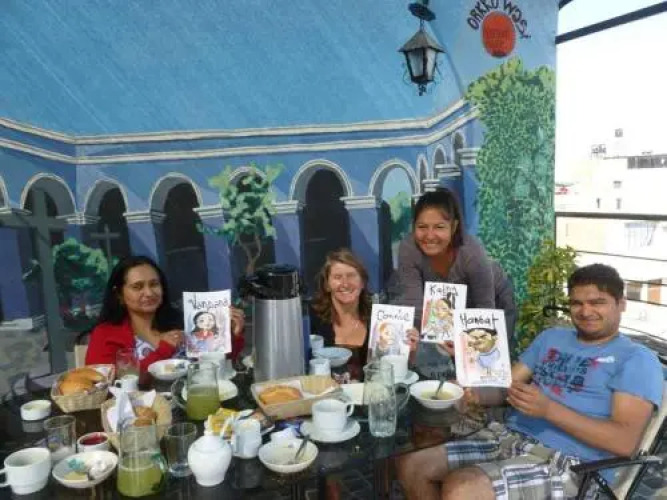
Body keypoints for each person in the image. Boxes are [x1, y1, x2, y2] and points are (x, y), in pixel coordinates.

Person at [396, 263, 663, 500]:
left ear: (621, 303)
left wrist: (549, 410)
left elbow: (624, 442)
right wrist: (472, 381)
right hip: (507, 436)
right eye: (576, 303)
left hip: (572, 463)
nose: (585, 311)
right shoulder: (552, 337)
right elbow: (505, 386)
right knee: (412, 465)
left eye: (597, 302)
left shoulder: (636, 359)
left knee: (462, 488)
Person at [392, 188, 516, 375]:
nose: (429, 236)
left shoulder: (472, 252)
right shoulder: (409, 249)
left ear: (454, 226)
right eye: (422, 227)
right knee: (447, 359)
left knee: (488, 365)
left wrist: (466, 345)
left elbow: (485, 310)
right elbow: (414, 303)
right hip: (446, 306)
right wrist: (414, 333)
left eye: (439, 227)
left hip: (492, 301)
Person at [86, 255, 245, 373]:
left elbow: (213, 365)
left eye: (154, 284)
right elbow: (106, 384)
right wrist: (164, 349)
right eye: (137, 287)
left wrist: (232, 336)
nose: (149, 293)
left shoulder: (182, 323)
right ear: (119, 294)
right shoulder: (104, 334)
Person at [310, 248, 418, 384]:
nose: (345, 283)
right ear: (327, 284)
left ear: (362, 282)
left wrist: (409, 350)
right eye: (337, 277)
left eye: (351, 276)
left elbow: (396, 374)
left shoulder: (380, 319)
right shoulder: (311, 320)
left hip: (370, 394)